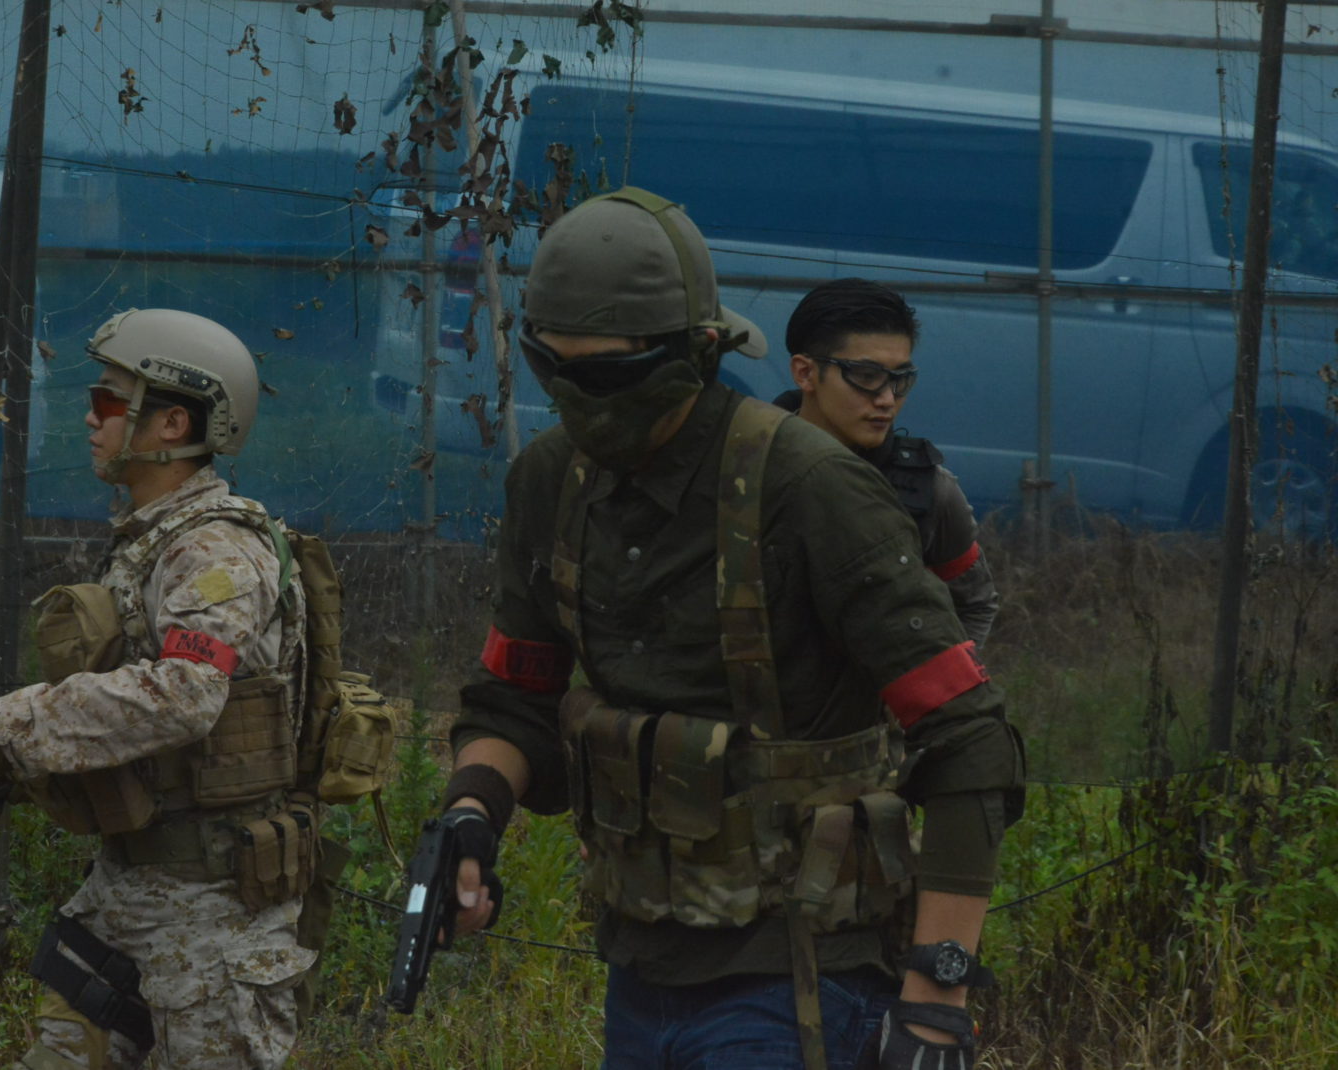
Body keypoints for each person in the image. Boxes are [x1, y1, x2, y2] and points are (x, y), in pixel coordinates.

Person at [434, 188, 1024, 1070]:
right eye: (556, 371)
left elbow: (968, 737)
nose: (583, 402)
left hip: (804, 976)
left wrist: (937, 1002)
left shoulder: (811, 488)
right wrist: (471, 814)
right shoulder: (553, 480)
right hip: (642, 963)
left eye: (612, 375)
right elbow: (515, 694)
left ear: (697, 352)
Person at [0, 308, 315, 1070]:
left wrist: (19, 723)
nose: (91, 418)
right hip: (130, 891)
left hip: (210, 915)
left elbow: (186, 693)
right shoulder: (156, 539)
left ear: (171, 424)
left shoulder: (216, 551)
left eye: (109, 401)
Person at [772, 279, 999, 646]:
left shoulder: (928, 491)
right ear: (805, 373)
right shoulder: (743, 469)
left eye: (900, 378)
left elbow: (974, 605)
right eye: (866, 376)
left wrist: (940, 679)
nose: (887, 399)